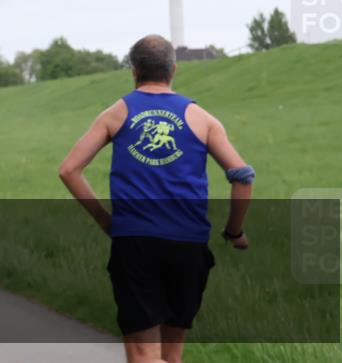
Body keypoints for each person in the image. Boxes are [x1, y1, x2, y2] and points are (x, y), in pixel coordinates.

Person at [59, 35, 253, 363]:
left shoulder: (116, 114)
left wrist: (107, 222)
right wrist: (234, 231)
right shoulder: (203, 119)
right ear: (173, 70)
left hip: (135, 243)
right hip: (189, 244)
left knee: (144, 355)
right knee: (170, 356)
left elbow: (69, 170)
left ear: (134, 71)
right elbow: (243, 178)